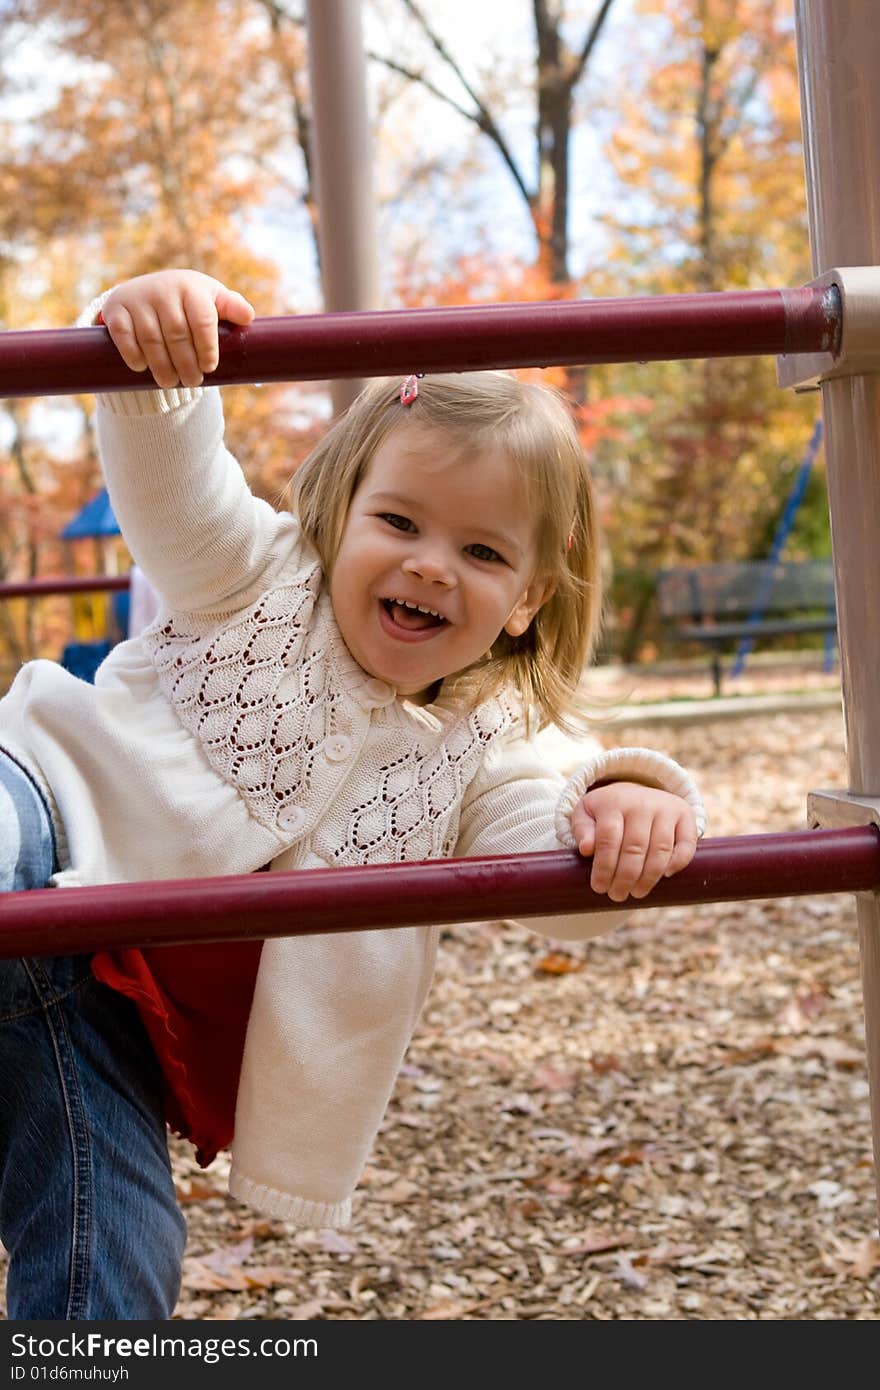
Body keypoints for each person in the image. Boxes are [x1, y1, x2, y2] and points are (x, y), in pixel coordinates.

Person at [0, 270, 706, 1320]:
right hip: (43, 817)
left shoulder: (500, 738)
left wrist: (621, 806)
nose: (429, 565)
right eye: (400, 520)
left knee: (118, 1252)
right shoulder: (257, 580)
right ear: (342, 509)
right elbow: (170, 480)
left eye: (480, 550)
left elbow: (545, 856)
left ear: (527, 599)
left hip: (104, 1009)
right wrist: (158, 352)